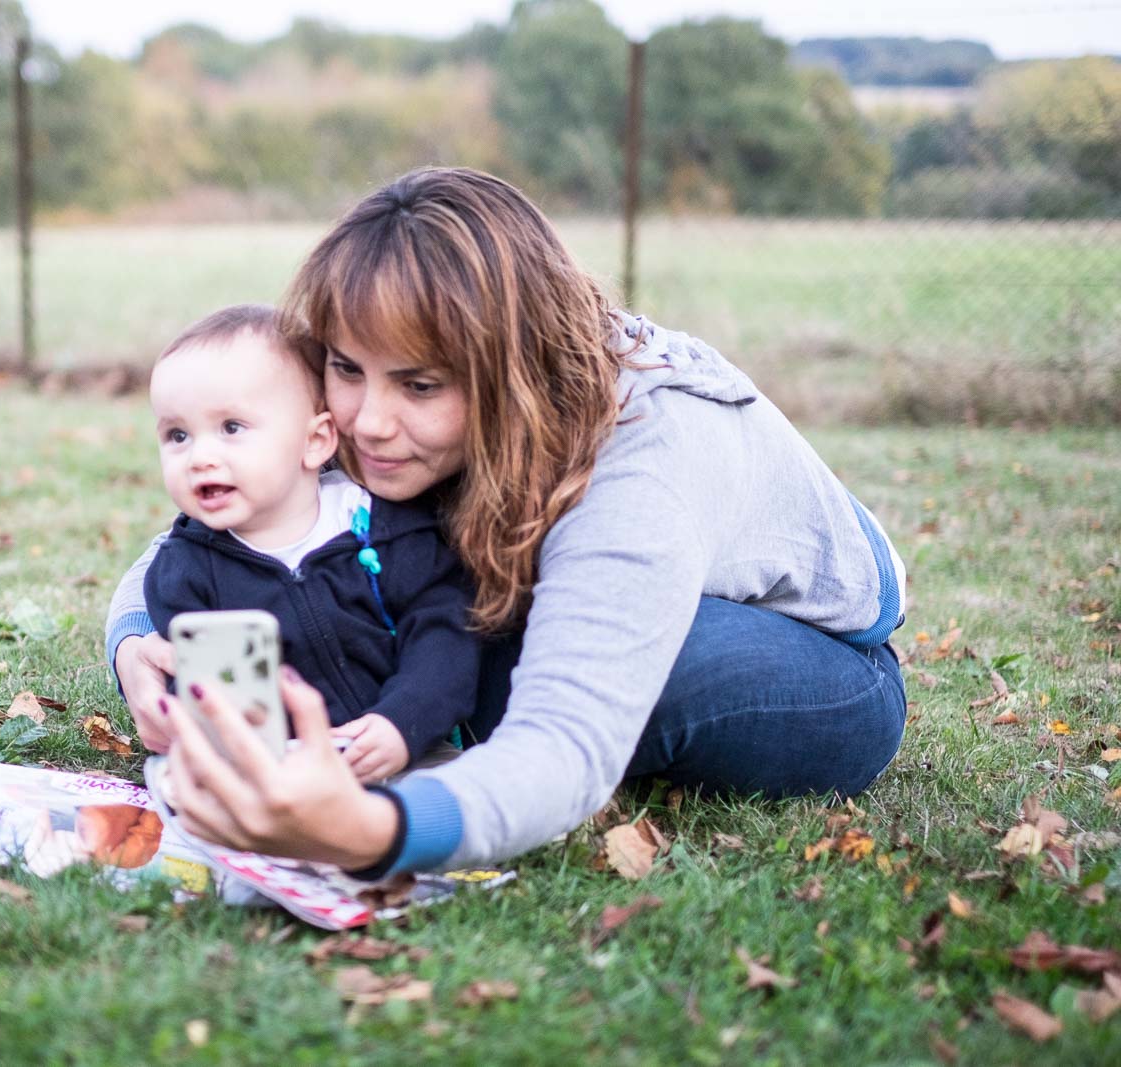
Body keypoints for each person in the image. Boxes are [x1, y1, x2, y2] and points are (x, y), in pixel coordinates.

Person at [107, 167, 907, 878]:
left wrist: (373, 827)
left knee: (520, 679)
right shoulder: (371, 408)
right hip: (560, 599)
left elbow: (564, 741)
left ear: (506, 369)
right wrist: (137, 641)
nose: (367, 421)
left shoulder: (637, 458)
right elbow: (221, 530)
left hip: (821, 664)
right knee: (468, 652)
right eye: (347, 370)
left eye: (420, 386)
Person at [141, 303, 481, 782]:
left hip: (403, 751)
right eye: (177, 435)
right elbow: (208, 693)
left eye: (231, 428)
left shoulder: (382, 530)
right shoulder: (186, 569)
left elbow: (445, 635)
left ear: (316, 440)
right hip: (272, 769)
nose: (201, 456)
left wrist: (403, 723)